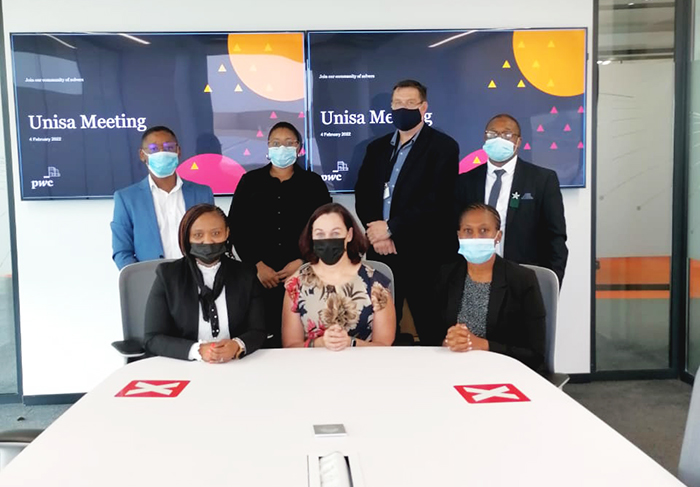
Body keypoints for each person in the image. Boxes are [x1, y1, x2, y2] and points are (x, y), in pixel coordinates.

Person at [354, 79, 459, 345]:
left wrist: (391, 229)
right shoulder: (376, 148)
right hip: (381, 251)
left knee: (431, 328)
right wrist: (377, 233)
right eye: (398, 103)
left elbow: (437, 201)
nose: (403, 108)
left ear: (423, 107)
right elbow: (363, 194)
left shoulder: (443, 147)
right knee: (380, 328)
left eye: (410, 103)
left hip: (425, 254)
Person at [228, 122, 331, 347]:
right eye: (275, 143)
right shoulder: (250, 181)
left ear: (299, 148)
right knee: (262, 338)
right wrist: (256, 265)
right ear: (268, 147)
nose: (281, 148)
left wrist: (303, 262)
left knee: (301, 339)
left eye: (288, 143)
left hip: (304, 274)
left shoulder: (313, 184)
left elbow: (325, 227)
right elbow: (236, 227)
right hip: (259, 277)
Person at [454, 114, 568, 285]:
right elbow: (454, 231)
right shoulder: (465, 181)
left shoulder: (542, 180)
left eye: (507, 134)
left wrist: (549, 283)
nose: (499, 139)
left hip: (524, 278)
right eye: (492, 134)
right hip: (474, 278)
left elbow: (555, 238)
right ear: (485, 138)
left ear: (518, 141)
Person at [144, 204, 266, 362]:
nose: (208, 241)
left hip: (235, 363)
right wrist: (198, 350)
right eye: (198, 235)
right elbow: (153, 338)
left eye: (216, 233)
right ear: (187, 236)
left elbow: (259, 330)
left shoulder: (246, 274)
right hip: (184, 365)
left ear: (227, 233)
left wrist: (237, 345)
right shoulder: (168, 275)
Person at [436, 203, 546, 371]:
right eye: (468, 231)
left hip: (503, 370)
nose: (475, 238)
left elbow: (535, 354)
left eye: (483, 230)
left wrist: (483, 345)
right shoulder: (445, 275)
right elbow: (431, 334)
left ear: (498, 236)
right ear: (459, 235)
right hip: (453, 367)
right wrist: (448, 341)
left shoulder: (522, 279)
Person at [282, 203, 396, 350]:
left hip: (363, 363)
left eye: (335, 233)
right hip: (312, 363)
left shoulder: (375, 283)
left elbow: (384, 346)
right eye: (320, 234)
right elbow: (290, 345)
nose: (327, 240)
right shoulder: (296, 284)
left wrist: (351, 343)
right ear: (311, 237)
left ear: (349, 235)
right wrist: (320, 343)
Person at [111, 126, 214, 270]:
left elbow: (212, 242)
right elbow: (122, 252)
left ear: (178, 151)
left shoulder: (202, 193)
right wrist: (140, 278)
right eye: (153, 149)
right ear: (142, 155)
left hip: (196, 277)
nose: (162, 153)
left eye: (168, 147)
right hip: (151, 278)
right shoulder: (127, 198)